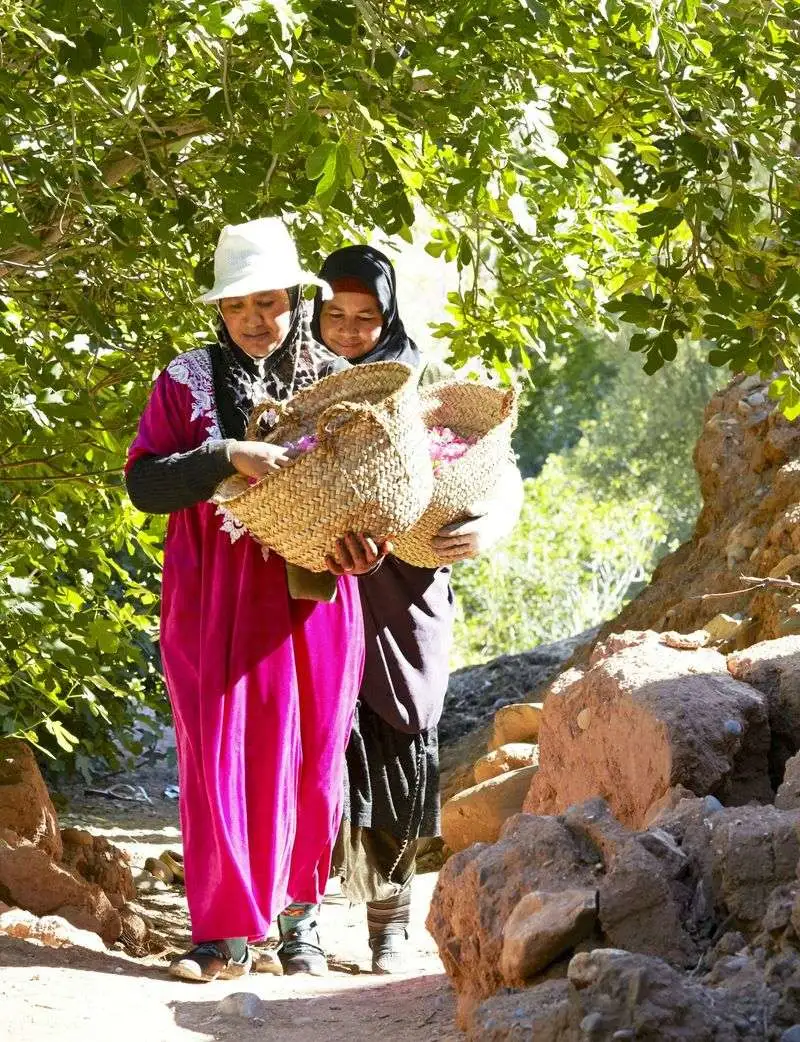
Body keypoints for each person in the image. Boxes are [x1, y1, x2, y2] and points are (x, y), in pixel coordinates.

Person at [125, 218, 389, 982]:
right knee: (218, 752)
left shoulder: (336, 380)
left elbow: (372, 497)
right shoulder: (183, 381)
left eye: (270, 303)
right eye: (239, 306)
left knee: (309, 756)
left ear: (295, 303)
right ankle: (224, 934)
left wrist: (365, 548)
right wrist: (223, 457)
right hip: (211, 599)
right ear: (220, 310)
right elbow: (143, 483)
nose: (255, 320)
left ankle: (298, 924)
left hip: (311, 603)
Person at [309, 245, 523, 974]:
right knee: (312, 752)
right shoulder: (290, 381)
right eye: (333, 314)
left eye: (365, 316)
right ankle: (295, 924)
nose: (347, 330)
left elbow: (497, 470)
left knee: (397, 745)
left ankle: (387, 922)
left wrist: (488, 525)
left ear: (388, 315)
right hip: (312, 588)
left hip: (405, 596)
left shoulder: (420, 382)